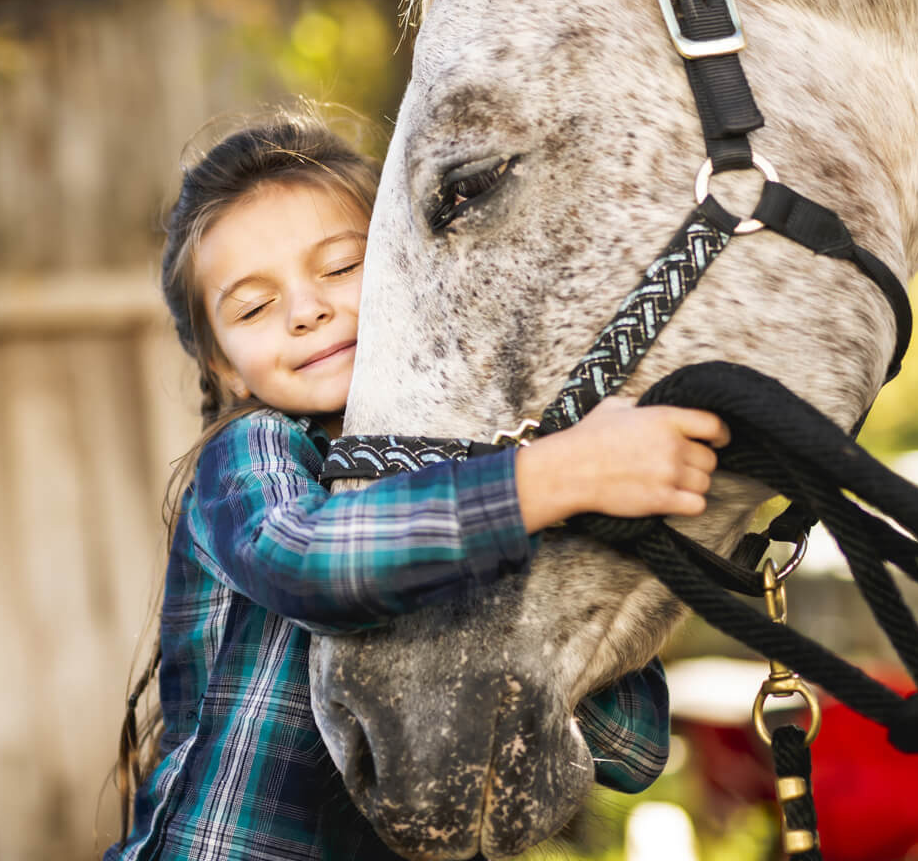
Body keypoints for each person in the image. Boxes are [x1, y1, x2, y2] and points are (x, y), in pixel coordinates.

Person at [108, 115, 730, 860]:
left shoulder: (472, 474)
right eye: (255, 307)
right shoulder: (251, 454)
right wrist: (560, 477)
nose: (307, 311)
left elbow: (630, 745)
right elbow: (303, 559)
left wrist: (582, 519)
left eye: (341, 267)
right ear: (226, 369)